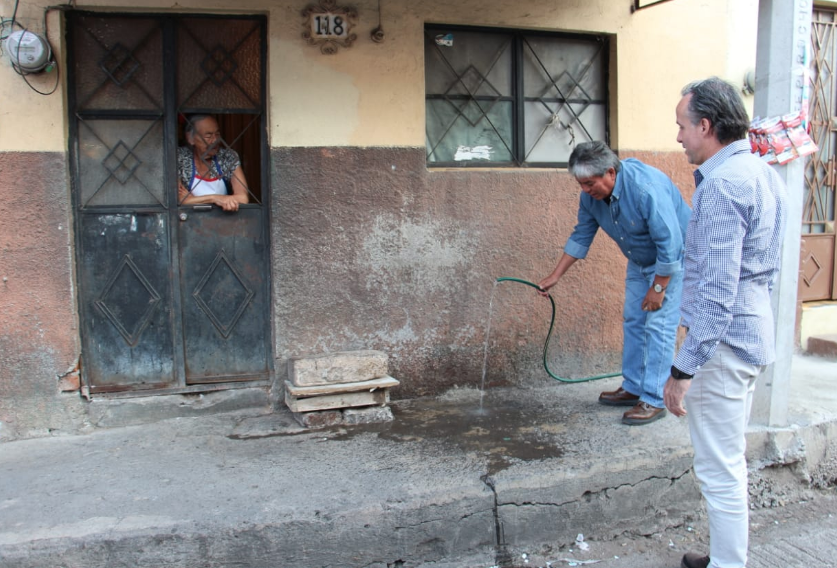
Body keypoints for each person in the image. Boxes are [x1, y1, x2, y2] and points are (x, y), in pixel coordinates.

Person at [664, 77, 788, 568]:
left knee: (719, 469)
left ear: (706, 126)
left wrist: (683, 370)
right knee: (726, 461)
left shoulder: (723, 186)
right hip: (748, 336)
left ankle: (728, 564)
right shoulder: (760, 172)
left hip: (724, 345)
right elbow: (764, 270)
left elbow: (717, 296)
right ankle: (723, 556)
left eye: (682, 126)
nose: (678, 136)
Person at [537, 141, 691, 425]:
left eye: (589, 183)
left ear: (610, 172)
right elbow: (582, 234)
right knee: (634, 319)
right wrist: (555, 276)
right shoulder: (591, 197)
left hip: (674, 261)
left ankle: (654, 398)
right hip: (640, 260)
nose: (585, 190)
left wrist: (658, 288)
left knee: (659, 325)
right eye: (580, 184)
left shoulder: (645, 189)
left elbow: (670, 243)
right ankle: (634, 387)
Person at [177, 114, 250, 212]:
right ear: (190, 138)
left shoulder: (227, 157)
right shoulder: (180, 157)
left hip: (223, 219)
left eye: (217, 134)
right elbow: (179, 200)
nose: (215, 140)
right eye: (208, 136)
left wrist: (193, 200)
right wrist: (215, 198)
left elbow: (243, 198)